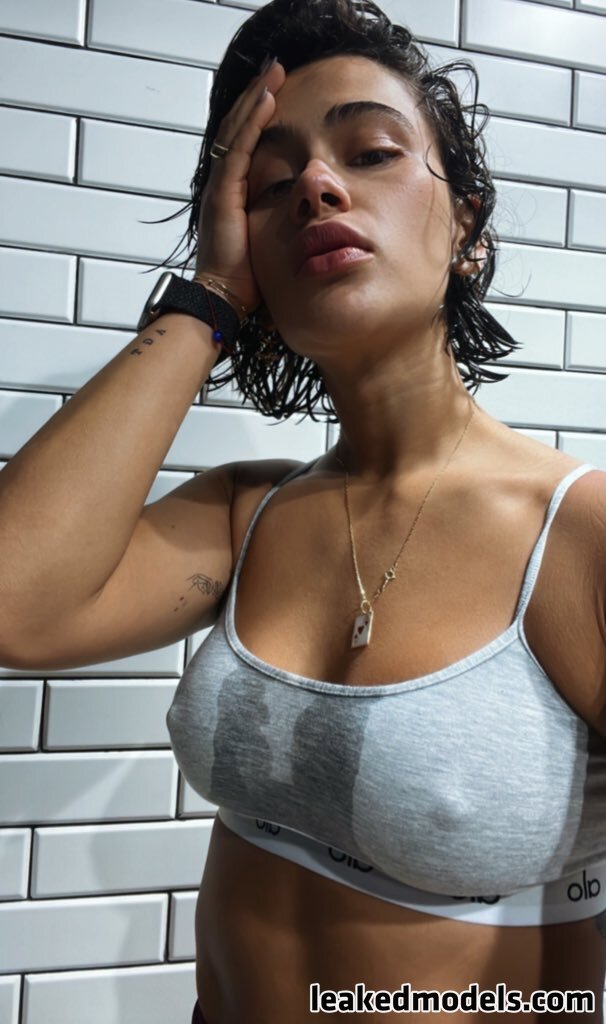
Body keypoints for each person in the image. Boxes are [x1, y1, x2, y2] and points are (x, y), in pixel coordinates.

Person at [1, 0, 605, 1020]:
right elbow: (15, 603)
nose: (317, 186)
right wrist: (209, 295)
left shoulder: (576, 534)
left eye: (371, 153)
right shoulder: (250, 514)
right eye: (271, 185)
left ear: (466, 229)